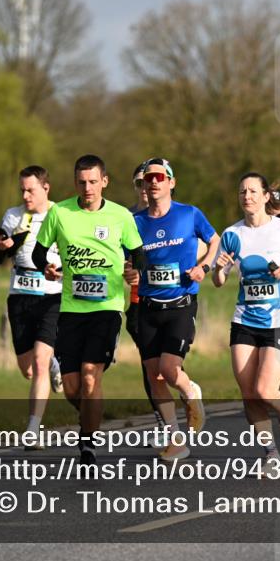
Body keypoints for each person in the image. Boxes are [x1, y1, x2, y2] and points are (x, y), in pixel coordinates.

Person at [33, 154, 143, 464]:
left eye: (93, 181)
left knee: (91, 376)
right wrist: (48, 268)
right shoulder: (60, 213)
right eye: (82, 182)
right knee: (71, 387)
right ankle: (93, 420)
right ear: (75, 183)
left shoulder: (121, 216)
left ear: (104, 181)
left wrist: (134, 272)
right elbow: (39, 253)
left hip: (106, 308)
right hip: (70, 309)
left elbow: (138, 253)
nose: (88, 188)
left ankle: (87, 447)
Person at [212, 173, 280, 467]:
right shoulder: (232, 234)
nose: (247, 196)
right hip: (244, 319)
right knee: (249, 395)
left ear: (265, 196)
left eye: (253, 191)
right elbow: (219, 281)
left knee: (264, 390)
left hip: (279, 320)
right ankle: (271, 454)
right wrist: (219, 269)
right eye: (242, 191)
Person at [134, 158, 219, 462]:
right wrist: (128, 272)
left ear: (171, 182)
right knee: (154, 376)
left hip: (180, 304)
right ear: (143, 185)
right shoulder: (136, 221)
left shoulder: (189, 214)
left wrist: (204, 267)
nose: (153, 182)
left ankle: (191, 392)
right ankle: (176, 439)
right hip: (147, 307)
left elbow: (216, 241)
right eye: (148, 178)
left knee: (170, 371)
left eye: (159, 177)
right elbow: (126, 259)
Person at [0, 166, 63, 446]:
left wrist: (62, 269)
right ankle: (56, 362)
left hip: (51, 296)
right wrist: (1, 245)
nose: (25, 195)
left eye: (30, 189)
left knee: (40, 363)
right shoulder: (12, 215)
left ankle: (32, 429)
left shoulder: (60, 215)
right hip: (19, 297)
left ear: (46, 188)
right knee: (28, 369)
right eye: (22, 189)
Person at [126, 161, 167, 446]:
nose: (146, 187)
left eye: (151, 180)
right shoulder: (125, 218)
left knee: (168, 365)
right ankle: (163, 422)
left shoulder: (168, 216)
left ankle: (188, 392)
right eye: (140, 182)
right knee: (149, 365)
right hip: (137, 302)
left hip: (169, 300)